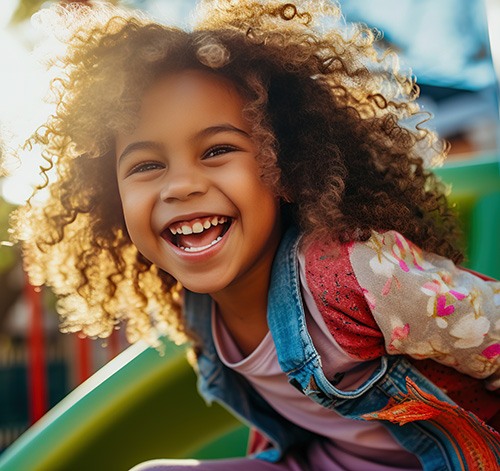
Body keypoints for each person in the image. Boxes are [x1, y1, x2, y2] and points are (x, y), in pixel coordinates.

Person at [11, 1, 499, 469]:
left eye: (217, 150)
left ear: (284, 166)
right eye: (147, 164)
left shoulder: (356, 274)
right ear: (112, 198)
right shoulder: (198, 310)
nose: (180, 185)